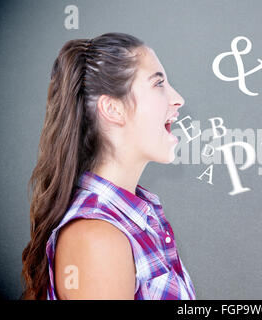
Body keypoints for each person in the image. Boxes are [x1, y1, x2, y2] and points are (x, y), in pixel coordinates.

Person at [21, 32, 196, 300]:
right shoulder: (97, 238)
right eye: (158, 84)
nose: (178, 99)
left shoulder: (139, 216)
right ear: (113, 109)